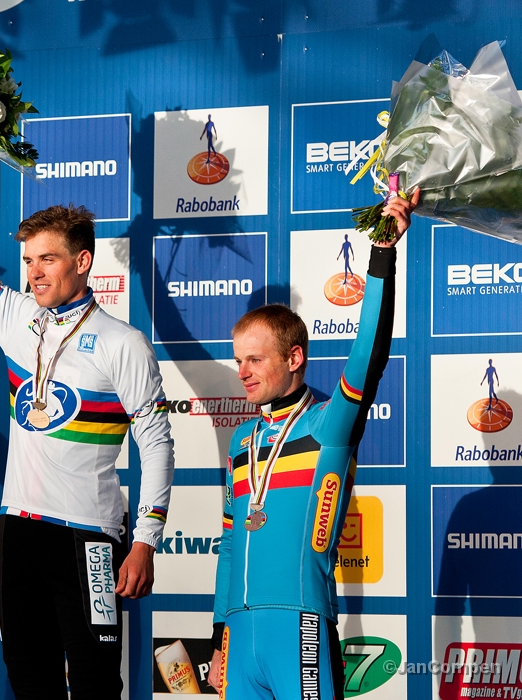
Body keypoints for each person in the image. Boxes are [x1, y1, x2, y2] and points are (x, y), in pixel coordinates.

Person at [0, 121, 174, 700]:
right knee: (30, 685)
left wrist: (145, 540)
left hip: (90, 539)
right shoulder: (17, 319)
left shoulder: (123, 343)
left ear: (83, 261)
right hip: (18, 533)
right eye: (28, 261)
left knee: (96, 688)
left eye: (47, 259)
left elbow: (156, 444)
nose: (34, 272)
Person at [208, 189, 419, 699]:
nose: (243, 372)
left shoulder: (328, 425)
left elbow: (369, 355)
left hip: (300, 624)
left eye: (256, 360)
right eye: (239, 361)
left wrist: (382, 255)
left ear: (294, 358)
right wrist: (219, 638)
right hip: (239, 635)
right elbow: (231, 543)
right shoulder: (241, 441)